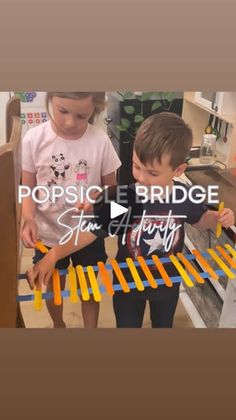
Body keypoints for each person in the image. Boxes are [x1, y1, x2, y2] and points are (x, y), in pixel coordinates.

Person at [26, 112, 235, 328]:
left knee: (163, 326)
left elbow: (199, 219)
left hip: (167, 284)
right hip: (128, 285)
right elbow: (90, 232)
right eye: (136, 166)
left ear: (178, 170)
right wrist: (53, 256)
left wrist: (218, 218)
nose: (141, 178)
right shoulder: (126, 199)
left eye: (152, 173)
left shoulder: (184, 196)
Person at [21, 92, 121, 328]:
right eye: (62, 111)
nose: (69, 122)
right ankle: (58, 324)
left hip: (87, 235)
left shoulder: (100, 141)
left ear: (94, 111)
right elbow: (27, 188)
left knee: (89, 291)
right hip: (48, 234)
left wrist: (98, 202)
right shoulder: (34, 139)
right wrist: (28, 218)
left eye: (81, 116)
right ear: (50, 100)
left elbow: (113, 193)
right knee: (53, 288)